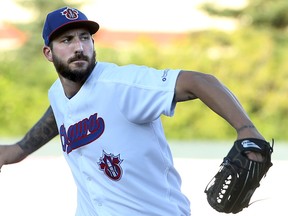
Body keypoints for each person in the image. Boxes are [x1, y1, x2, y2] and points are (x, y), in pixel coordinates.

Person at [0, 6, 266, 216]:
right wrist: (18, 150)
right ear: (48, 53)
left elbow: (200, 81)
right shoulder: (58, 93)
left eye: (85, 38)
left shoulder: (122, 85)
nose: (79, 47)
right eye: (67, 40)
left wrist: (247, 130)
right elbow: (59, 109)